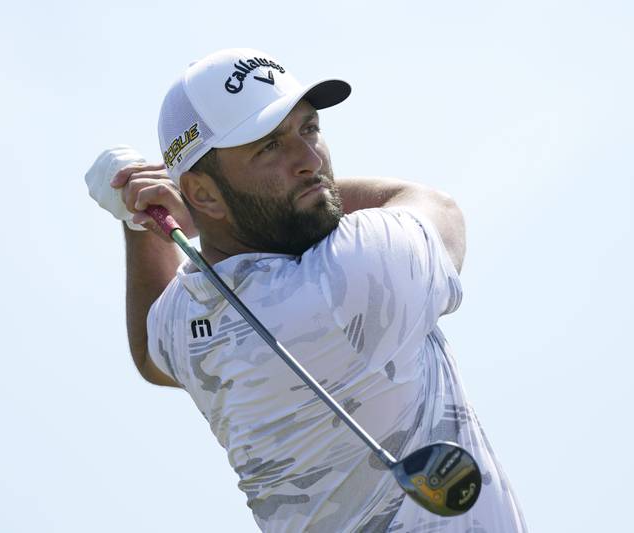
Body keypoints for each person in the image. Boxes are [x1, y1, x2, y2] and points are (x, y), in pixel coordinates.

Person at [87, 48, 527, 532]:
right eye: (269, 147)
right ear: (204, 192)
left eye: (309, 129)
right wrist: (187, 214)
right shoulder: (356, 271)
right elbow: (432, 205)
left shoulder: (187, 330)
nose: (311, 159)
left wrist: (140, 219)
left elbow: (151, 353)